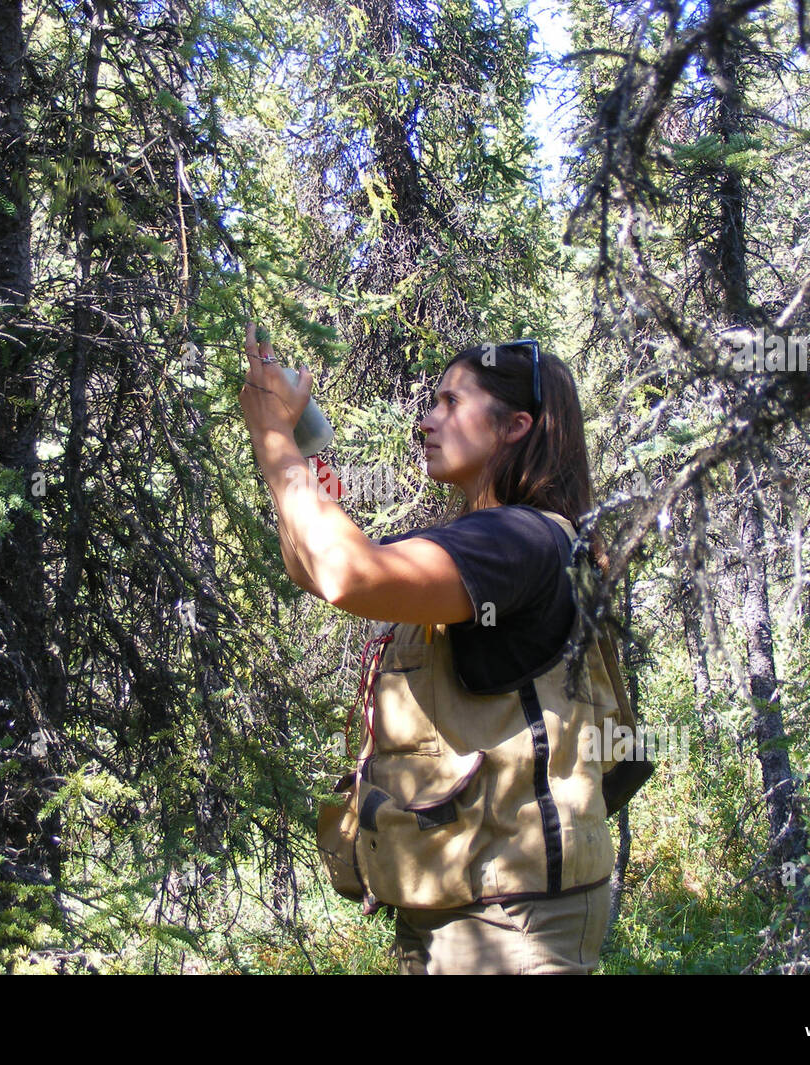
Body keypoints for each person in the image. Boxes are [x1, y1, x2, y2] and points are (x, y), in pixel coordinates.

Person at [238, 320, 619, 975]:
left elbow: (348, 572)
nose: (426, 420)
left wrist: (277, 440)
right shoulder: (486, 541)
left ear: (516, 426)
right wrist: (287, 444)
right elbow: (316, 565)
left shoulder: (521, 541)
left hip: (506, 918)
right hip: (457, 904)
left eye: (450, 402)